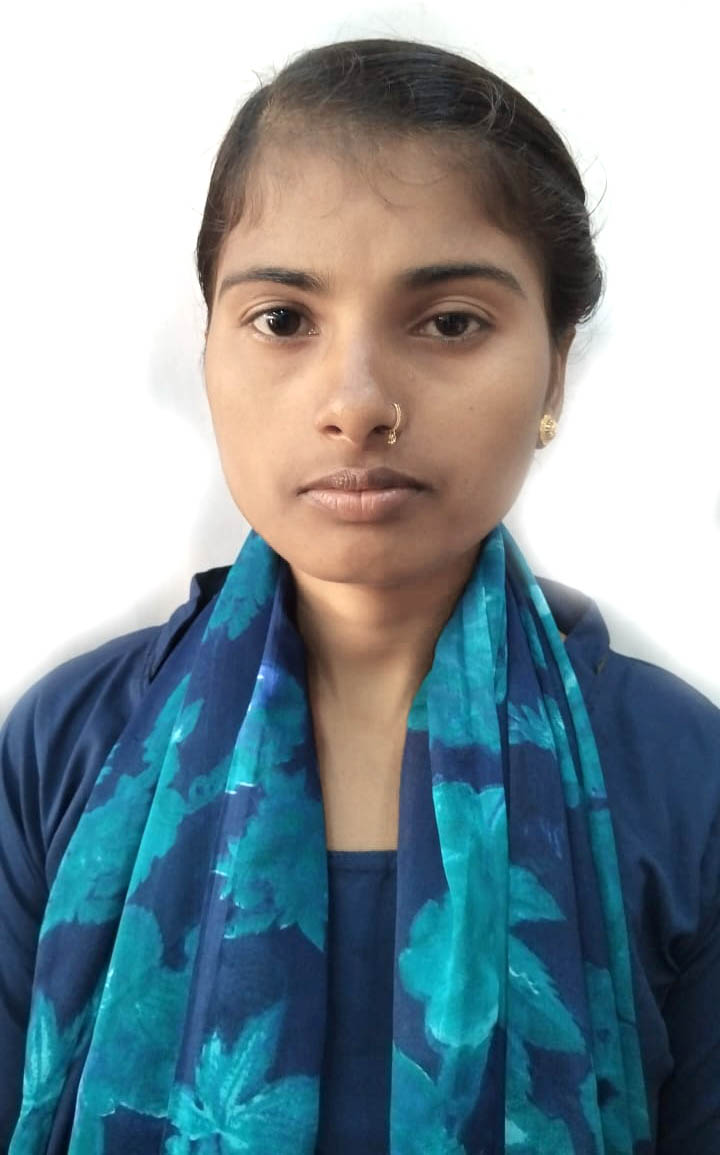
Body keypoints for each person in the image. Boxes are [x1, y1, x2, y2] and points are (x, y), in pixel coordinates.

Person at [1, 36, 718, 1155]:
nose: (357, 402)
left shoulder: (682, 771)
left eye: (450, 322)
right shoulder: (67, 745)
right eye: (284, 319)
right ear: (208, 348)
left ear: (556, 366)